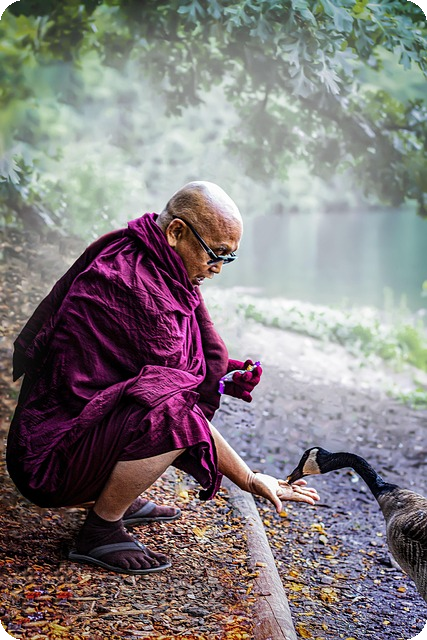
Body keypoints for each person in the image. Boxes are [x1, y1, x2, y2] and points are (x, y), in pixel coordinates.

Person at [6, 180, 319, 575]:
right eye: (215, 254)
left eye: (229, 258)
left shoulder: (145, 255)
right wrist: (249, 478)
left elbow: (140, 364)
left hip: (74, 432)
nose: (217, 269)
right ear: (176, 232)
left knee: (170, 400)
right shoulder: (131, 284)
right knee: (172, 414)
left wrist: (221, 373)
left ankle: (114, 494)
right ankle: (100, 531)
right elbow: (174, 401)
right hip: (49, 459)